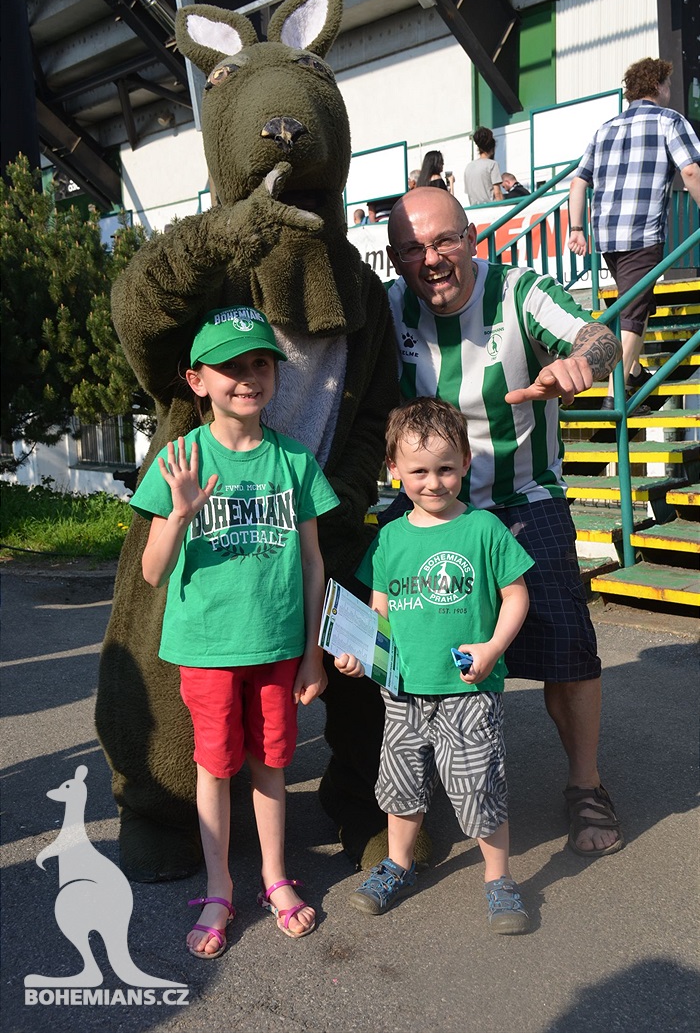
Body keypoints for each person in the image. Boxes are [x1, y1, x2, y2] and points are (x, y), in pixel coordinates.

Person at [384, 185, 625, 860]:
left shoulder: (520, 289)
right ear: (398, 258)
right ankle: (401, 788)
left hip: (523, 498)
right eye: (413, 247)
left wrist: (584, 362)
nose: (431, 258)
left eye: (444, 241)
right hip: (425, 504)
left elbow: (597, 335)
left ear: (471, 236)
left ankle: (586, 783)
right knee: (393, 639)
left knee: (567, 640)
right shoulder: (388, 307)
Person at [129, 305, 340, 958]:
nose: (247, 378)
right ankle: (220, 886)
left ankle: (276, 877)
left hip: (279, 652)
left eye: (259, 363)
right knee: (215, 767)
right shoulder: (180, 458)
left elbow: (313, 563)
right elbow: (151, 570)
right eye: (229, 367)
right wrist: (181, 514)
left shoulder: (294, 461)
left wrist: (312, 654)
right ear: (198, 381)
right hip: (209, 652)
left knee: (272, 764)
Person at [335, 398, 534, 934]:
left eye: (446, 468)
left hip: (469, 691)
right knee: (401, 788)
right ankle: (397, 865)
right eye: (418, 470)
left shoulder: (485, 530)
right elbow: (378, 613)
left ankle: (499, 879)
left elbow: (517, 596)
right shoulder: (389, 538)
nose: (433, 482)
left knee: (478, 789)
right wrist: (362, 656)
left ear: (467, 462)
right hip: (401, 695)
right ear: (393, 470)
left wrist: (493, 648)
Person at [568, 57, 700, 410]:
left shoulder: (605, 128)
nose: (669, 92)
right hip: (641, 233)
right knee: (634, 311)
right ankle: (617, 394)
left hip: (607, 237)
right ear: (658, 86)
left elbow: (578, 182)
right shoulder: (669, 120)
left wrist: (577, 228)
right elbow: (690, 173)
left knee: (637, 302)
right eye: (668, 85)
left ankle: (636, 370)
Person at [463, 127, 503, 203]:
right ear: (492, 148)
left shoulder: (469, 167)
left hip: (476, 210)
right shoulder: (492, 164)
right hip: (491, 208)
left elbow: (469, 193)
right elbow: (497, 193)